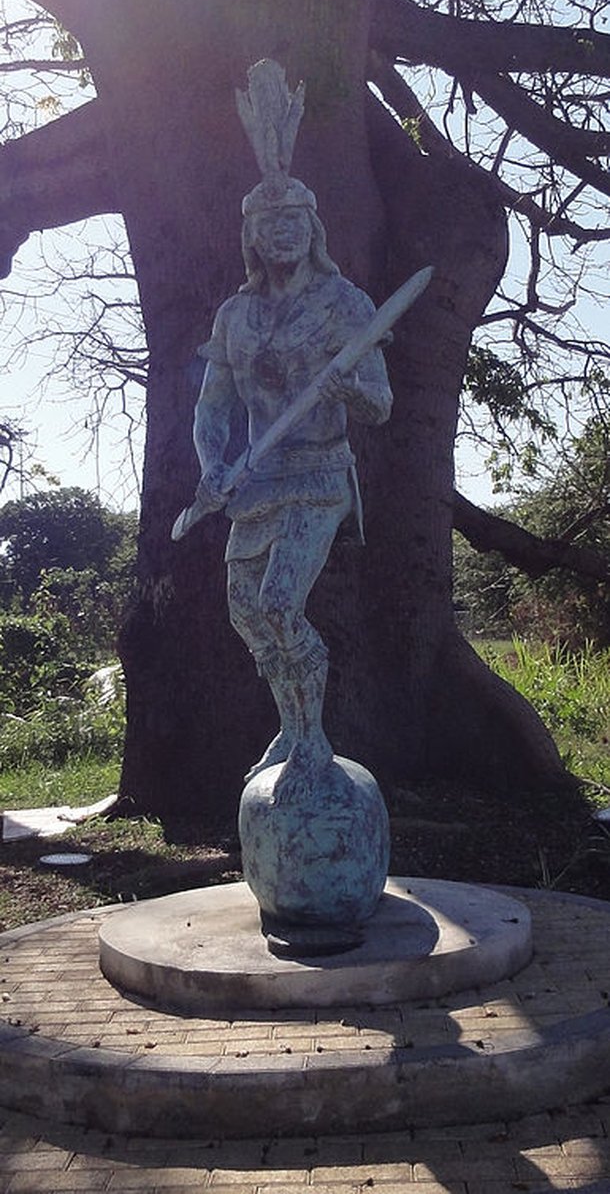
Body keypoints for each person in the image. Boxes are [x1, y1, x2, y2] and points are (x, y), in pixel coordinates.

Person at [192, 61, 392, 792]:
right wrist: (213, 463)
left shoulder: (346, 303)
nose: (281, 232)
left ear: (313, 228)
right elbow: (213, 407)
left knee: (282, 602)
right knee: (248, 613)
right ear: (251, 234)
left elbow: (381, 401)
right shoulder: (235, 315)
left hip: (318, 474)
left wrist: (350, 388)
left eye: (293, 221)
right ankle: (290, 721)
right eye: (267, 222)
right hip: (257, 478)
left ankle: (311, 735)